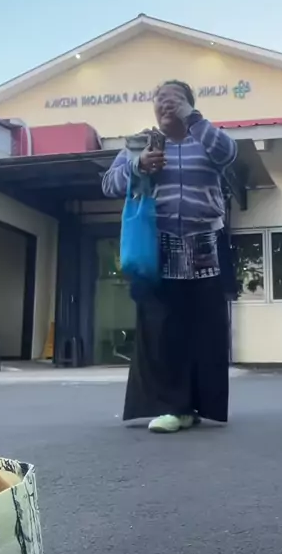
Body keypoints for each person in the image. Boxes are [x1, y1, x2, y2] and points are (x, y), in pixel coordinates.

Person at [102, 80, 237, 433]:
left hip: (204, 243)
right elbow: (109, 185)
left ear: (189, 104)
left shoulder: (205, 139)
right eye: (160, 98)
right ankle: (172, 407)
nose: (166, 103)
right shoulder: (140, 143)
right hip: (157, 246)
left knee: (204, 329)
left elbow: (229, 153)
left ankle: (194, 406)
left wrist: (194, 118)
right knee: (162, 328)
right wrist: (136, 165)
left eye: (174, 98)